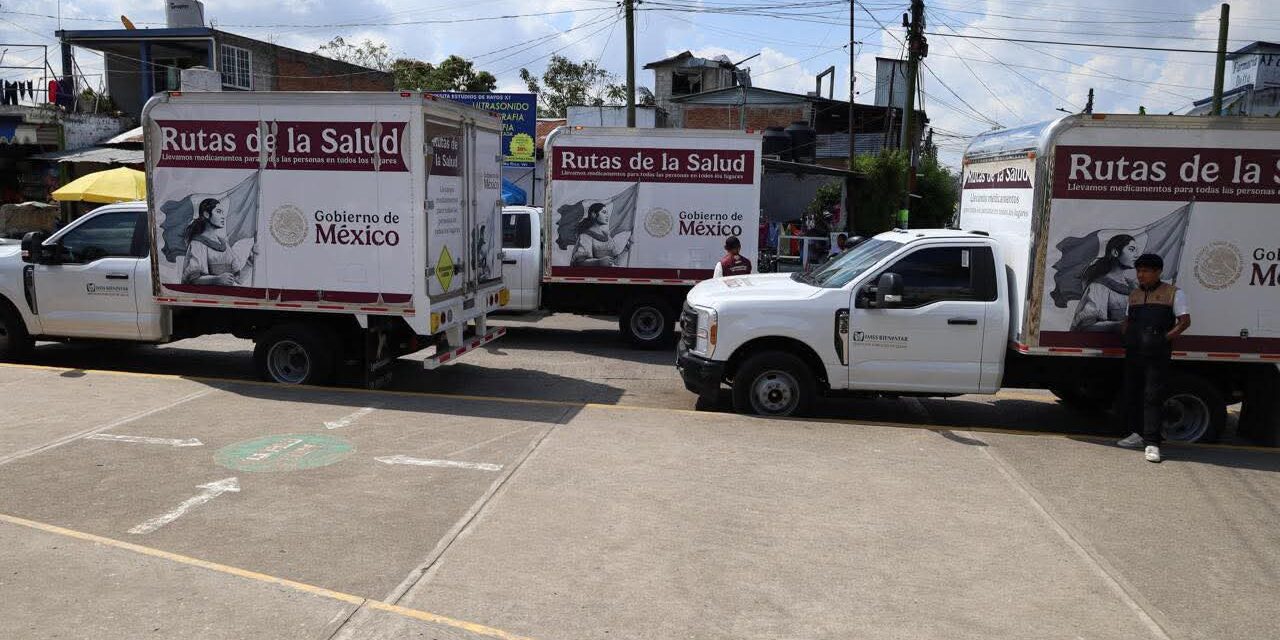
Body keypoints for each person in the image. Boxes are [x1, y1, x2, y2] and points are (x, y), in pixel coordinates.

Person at [1116, 253, 1190, 463]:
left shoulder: (1173, 293)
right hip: (1134, 352)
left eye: (1146, 271)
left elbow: (1184, 321)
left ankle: (1152, 443)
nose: (1141, 275)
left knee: (1152, 396)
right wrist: (1127, 334)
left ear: (1158, 272)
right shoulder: (1135, 294)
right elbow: (1128, 319)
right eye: (1139, 271)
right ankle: (1137, 434)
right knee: (1133, 393)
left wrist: (1164, 339)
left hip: (1157, 354)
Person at [1071, 234, 1139, 332]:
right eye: (1131, 250)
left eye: (1136, 250)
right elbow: (1086, 326)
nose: (1137, 255)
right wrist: (1120, 325)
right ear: (1115, 252)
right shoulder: (1099, 287)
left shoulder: (1134, 286)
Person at [182, 197, 256, 286]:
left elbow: (238, 279)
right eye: (218, 212)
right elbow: (194, 279)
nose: (223, 217)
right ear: (206, 214)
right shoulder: (198, 243)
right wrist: (216, 280)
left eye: (223, 213)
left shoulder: (224, 244)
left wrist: (250, 262)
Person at [571, 202, 629, 267]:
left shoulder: (607, 236)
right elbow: (580, 262)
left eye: (607, 213)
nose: (607, 216)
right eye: (604, 212)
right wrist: (598, 262)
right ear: (593, 214)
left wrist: (626, 249)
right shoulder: (586, 236)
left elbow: (615, 261)